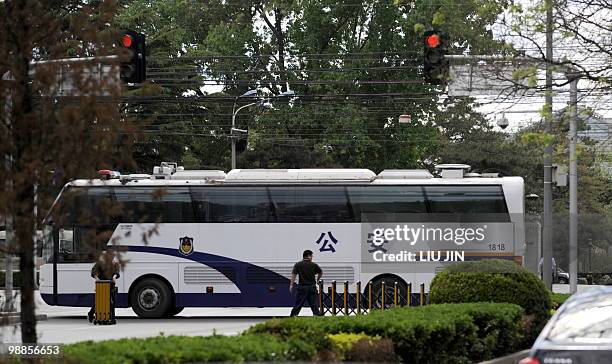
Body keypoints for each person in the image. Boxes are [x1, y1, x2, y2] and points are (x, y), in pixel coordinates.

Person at [87, 250, 120, 323]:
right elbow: (94, 271)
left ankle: (112, 318)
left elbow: (117, 272)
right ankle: (91, 313)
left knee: (112, 301)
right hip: (101, 284)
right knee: (100, 301)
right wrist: (97, 278)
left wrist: (114, 277)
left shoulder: (115, 263)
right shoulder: (100, 262)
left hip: (110, 284)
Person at [289, 249, 323, 317]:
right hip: (311, 288)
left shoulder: (298, 264)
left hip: (302, 287)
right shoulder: (313, 265)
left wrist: (291, 285)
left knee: (298, 304)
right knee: (314, 305)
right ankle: (317, 317)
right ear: (309, 256)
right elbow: (320, 272)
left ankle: (293, 317)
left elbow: (294, 275)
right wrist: (317, 279)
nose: (312, 258)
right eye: (312, 256)